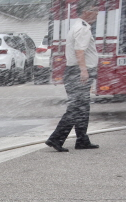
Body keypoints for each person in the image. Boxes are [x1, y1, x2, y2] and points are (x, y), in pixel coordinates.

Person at [46, 0, 100, 152]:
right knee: (76, 108)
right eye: (94, 10)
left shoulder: (79, 26)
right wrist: (83, 71)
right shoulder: (83, 29)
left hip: (75, 72)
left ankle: (82, 140)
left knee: (82, 108)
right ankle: (56, 139)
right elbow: (79, 51)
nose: (97, 14)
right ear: (85, 12)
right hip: (77, 72)